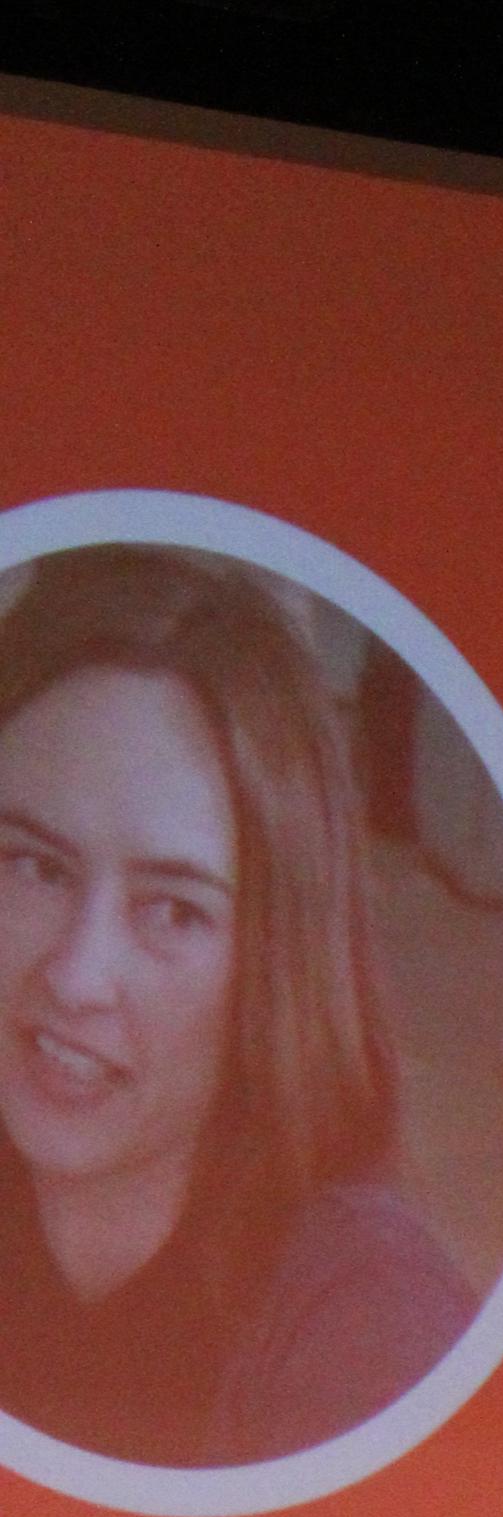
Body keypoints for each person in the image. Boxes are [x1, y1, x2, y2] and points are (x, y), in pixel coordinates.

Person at [0, 544, 477, 1465]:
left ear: (274, 961)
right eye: (34, 866)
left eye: (173, 910)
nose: (75, 976)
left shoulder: (371, 1334)